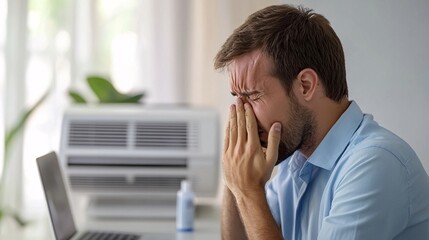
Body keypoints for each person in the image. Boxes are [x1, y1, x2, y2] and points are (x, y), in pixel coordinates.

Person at [214, 4, 429, 240]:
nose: (242, 113)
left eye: (253, 95)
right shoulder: (294, 163)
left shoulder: (376, 163)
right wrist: (235, 178)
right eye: (237, 97)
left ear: (305, 85)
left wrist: (249, 192)